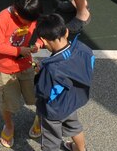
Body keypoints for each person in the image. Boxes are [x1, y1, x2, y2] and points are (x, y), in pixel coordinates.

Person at [0, 0, 44, 148]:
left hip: (26, 64)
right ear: (17, 13)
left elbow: (43, 30)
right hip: (4, 68)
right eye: (28, 21)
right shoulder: (3, 19)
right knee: (8, 102)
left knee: (37, 95)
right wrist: (19, 51)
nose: (31, 23)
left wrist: (39, 43)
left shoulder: (31, 14)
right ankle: (9, 125)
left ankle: (39, 117)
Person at [34, 13, 95, 151]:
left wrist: (39, 73)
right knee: (74, 127)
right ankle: (80, 149)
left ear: (43, 40)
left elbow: (42, 92)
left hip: (54, 110)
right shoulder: (84, 49)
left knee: (51, 142)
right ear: (66, 32)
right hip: (74, 101)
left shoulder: (51, 69)